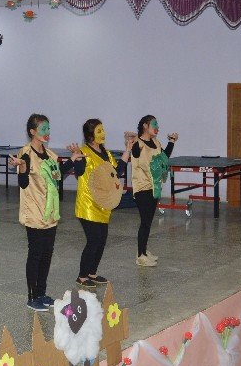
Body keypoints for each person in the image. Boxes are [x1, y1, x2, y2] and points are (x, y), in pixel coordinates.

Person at [9, 114, 84, 312]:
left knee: (47, 253)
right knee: (35, 253)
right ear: (32, 131)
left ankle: (41, 293)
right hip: (34, 211)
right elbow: (23, 183)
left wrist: (72, 160)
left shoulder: (50, 154)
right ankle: (32, 297)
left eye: (48, 129)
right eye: (43, 129)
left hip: (50, 212)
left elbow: (57, 176)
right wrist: (22, 167)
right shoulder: (26, 153)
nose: (47, 132)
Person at [73, 119, 133, 288]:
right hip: (88, 204)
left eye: (103, 130)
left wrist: (128, 150)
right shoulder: (84, 152)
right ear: (90, 135)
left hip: (103, 204)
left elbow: (117, 171)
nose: (103, 134)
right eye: (99, 131)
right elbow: (79, 172)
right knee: (93, 240)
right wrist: (77, 159)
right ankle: (82, 276)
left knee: (101, 240)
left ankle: (92, 272)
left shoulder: (106, 153)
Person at [130, 115, 178, 267]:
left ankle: (143, 251)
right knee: (145, 222)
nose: (157, 128)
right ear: (145, 126)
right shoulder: (138, 144)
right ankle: (140, 256)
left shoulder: (156, 142)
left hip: (154, 187)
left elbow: (164, 157)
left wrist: (172, 141)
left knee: (148, 222)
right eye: (154, 124)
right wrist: (131, 141)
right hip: (142, 188)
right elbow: (135, 152)